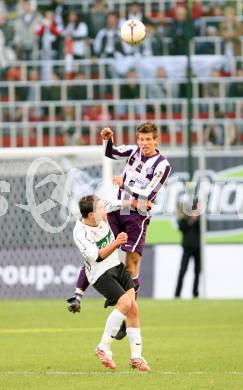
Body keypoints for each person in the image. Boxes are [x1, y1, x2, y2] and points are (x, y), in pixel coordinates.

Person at [68, 122, 171, 338]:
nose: (143, 144)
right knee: (99, 250)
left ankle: (127, 312)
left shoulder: (163, 165)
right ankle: (78, 295)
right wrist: (108, 138)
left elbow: (148, 197)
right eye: (141, 139)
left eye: (148, 140)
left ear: (156, 140)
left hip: (138, 217)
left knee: (131, 264)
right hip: (117, 210)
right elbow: (110, 152)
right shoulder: (133, 151)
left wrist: (124, 185)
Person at [70, 194, 151, 371]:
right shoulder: (80, 233)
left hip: (115, 265)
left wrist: (142, 203)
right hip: (99, 274)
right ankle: (103, 347)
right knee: (125, 303)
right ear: (92, 215)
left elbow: (124, 203)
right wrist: (116, 242)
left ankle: (136, 357)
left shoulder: (101, 208)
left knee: (133, 307)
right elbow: (97, 257)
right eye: (101, 209)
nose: (104, 209)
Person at [174, 198, 201, 298]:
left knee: (197, 272)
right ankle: (177, 294)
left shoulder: (201, 219)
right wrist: (190, 219)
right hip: (187, 247)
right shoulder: (185, 218)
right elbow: (182, 228)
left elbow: (204, 228)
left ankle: (195, 293)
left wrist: (196, 219)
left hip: (198, 248)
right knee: (182, 271)